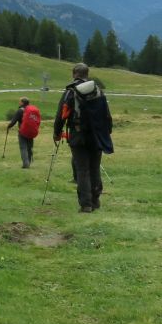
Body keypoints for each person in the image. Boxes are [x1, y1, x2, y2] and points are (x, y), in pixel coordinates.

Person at [53, 63, 114, 213]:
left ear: (74, 74)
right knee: (94, 168)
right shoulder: (97, 90)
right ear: (87, 74)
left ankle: (86, 204)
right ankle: (96, 200)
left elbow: (61, 115)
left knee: (82, 170)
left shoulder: (70, 92)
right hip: (97, 135)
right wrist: (106, 133)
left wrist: (57, 132)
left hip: (78, 135)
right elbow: (107, 114)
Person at [5, 97, 40, 168]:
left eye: (20, 101)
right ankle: (29, 162)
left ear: (22, 103)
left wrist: (8, 127)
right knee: (29, 148)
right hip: (31, 132)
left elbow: (13, 121)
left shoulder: (20, 111)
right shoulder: (32, 111)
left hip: (23, 132)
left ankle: (25, 164)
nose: (19, 102)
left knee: (23, 148)